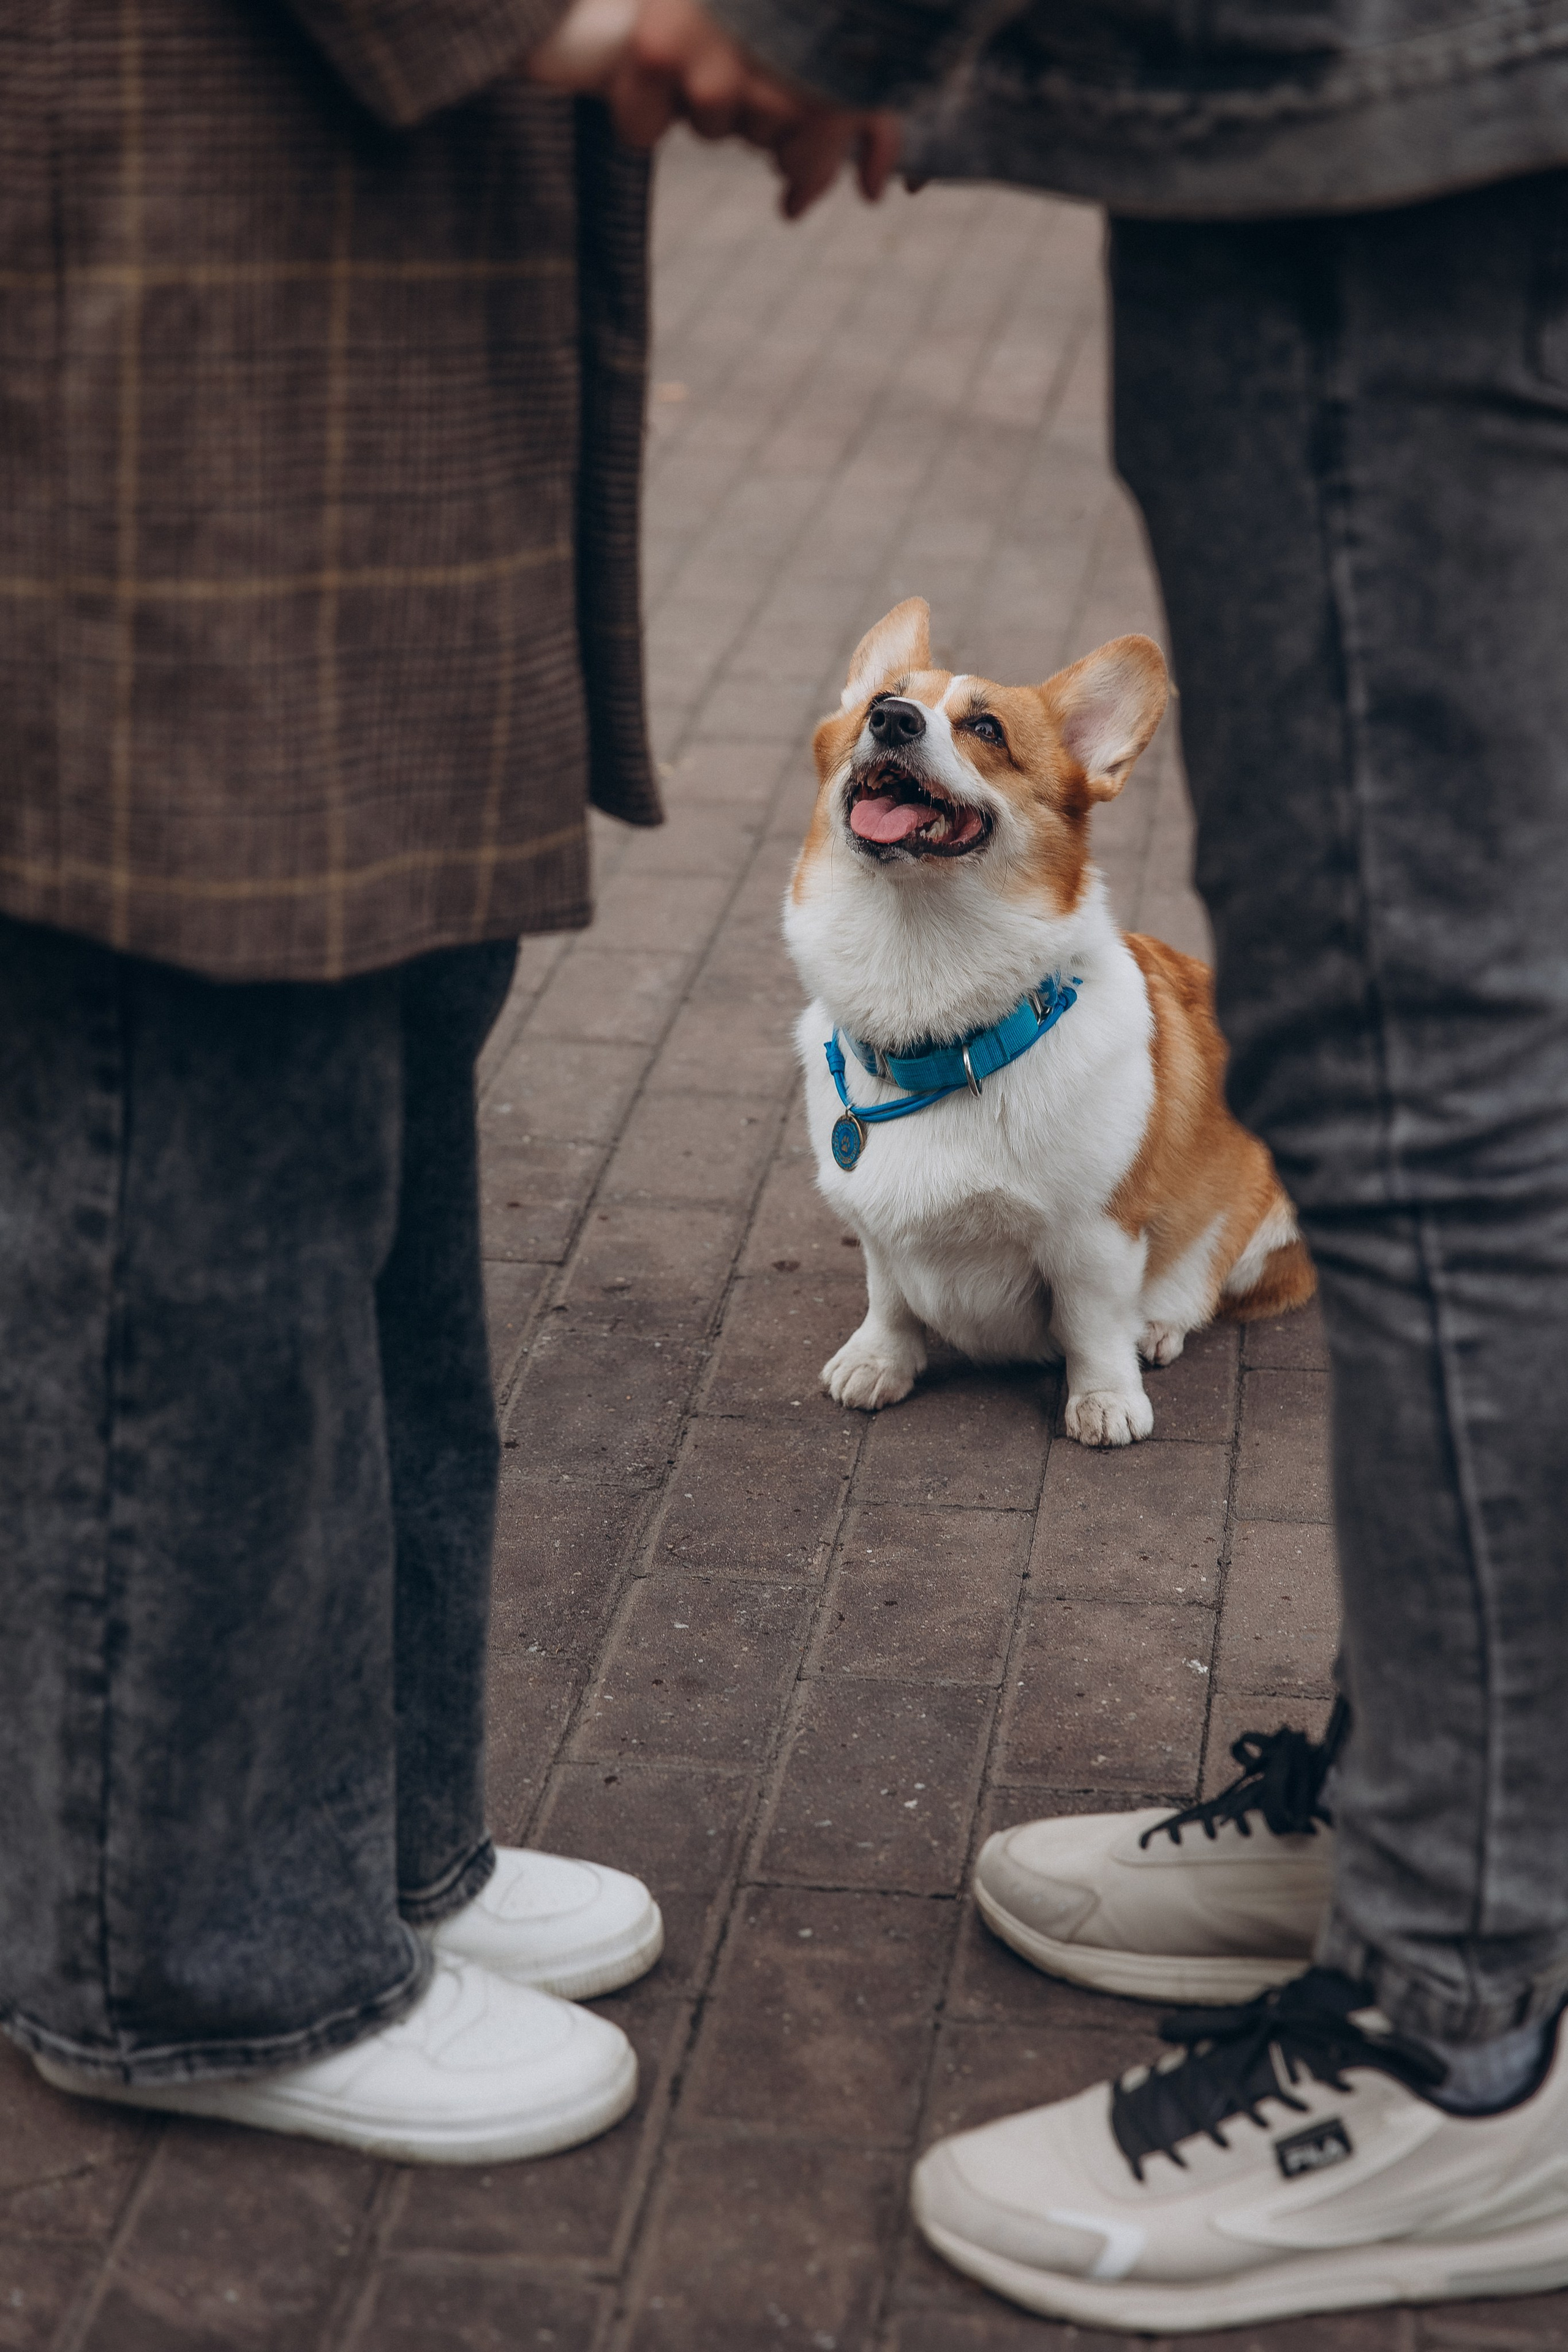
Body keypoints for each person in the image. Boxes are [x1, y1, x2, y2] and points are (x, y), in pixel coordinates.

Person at [582, 0, 1568, 2326]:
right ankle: (1456, 1816)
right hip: (1429, 127)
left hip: (1387, 140)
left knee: (1423, 1096)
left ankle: (1464, 2025)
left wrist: (824, 29)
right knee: (1457, 1060)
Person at [0, 0, 670, 2163]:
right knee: (203, 1120)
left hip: (355, 231)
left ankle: (359, 1834)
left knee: (370, 1096)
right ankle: (193, 1946)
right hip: (186, 210)